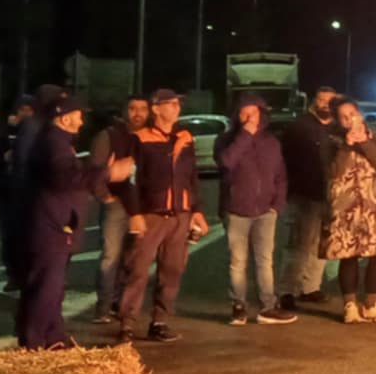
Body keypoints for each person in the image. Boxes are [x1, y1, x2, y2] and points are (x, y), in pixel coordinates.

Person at [20, 95, 135, 350]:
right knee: (47, 284)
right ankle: (36, 341)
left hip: (56, 222)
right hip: (52, 224)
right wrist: (109, 172)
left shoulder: (57, 142)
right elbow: (66, 177)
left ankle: (53, 337)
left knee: (53, 284)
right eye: (79, 115)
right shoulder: (53, 144)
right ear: (64, 117)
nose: (82, 122)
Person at [116, 89, 206, 343]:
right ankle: (127, 324)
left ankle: (159, 321)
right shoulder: (140, 139)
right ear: (156, 109)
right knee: (137, 270)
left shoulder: (184, 137)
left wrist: (196, 210)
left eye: (178, 103)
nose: (177, 107)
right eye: (171, 104)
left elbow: (191, 177)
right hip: (151, 215)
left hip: (180, 216)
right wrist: (135, 213)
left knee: (172, 270)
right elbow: (130, 180)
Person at [216, 93, 293, 326]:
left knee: (264, 260)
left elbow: (280, 175)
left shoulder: (271, 142)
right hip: (236, 210)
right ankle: (238, 306)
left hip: (265, 211)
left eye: (254, 112)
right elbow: (226, 162)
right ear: (237, 116)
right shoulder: (227, 140)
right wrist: (245, 136)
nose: (250, 117)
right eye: (244, 113)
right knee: (238, 262)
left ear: (262, 115)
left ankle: (268, 306)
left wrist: (276, 205)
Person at [323, 97, 376, 324]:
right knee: (349, 255)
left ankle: (372, 304)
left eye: (352, 114)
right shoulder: (332, 140)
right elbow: (335, 171)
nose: (349, 120)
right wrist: (347, 145)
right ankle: (350, 305)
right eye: (343, 117)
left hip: (374, 205)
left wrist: (364, 142)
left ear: (360, 114)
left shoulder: (375, 137)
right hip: (346, 207)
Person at [276, 85, 337, 312]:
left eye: (329, 101)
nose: (324, 105)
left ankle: (311, 287)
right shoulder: (299, 127)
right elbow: (284, 161)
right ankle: (287, 291)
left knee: (323, 243)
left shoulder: (337, 128)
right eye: (321, 100)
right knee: (299, 245)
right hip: (304, 194)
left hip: (330, 195)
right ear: (314, 101)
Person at [88, 97, 147, 323]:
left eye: (143, 109)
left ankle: (119, 303)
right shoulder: (109, 136)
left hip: (142, 206)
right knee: (110, 256)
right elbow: (95, 169)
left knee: (133, 258)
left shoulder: (149, 136)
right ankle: (103, 307)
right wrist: (105, 197)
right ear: (124, 111)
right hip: (116, 205)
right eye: (132, 108)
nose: (138, 113)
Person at [0, 93, 39, 292]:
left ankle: (30, 274)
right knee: (10, 236)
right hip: (8, 193)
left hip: (31, 193)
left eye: (29, 110)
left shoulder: (38, 133)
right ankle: (14, 274)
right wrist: (3, 157)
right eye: (21, 109)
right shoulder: (4, 133)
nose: (25, 114)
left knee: (32, 236)